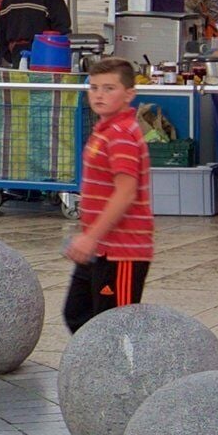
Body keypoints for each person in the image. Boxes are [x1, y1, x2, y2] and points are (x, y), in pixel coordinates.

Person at [60, 57, 152, 328]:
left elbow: (126, 192)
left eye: (109, 88)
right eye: (94, 87)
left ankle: (125, 370)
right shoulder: (104, 131)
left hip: (121, 251)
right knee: (77, 314)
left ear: (129, 94)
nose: (99, 95)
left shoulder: (122, 134)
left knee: (115, 327)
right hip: (100, 249)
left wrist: (91, 238)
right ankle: (95, 368)